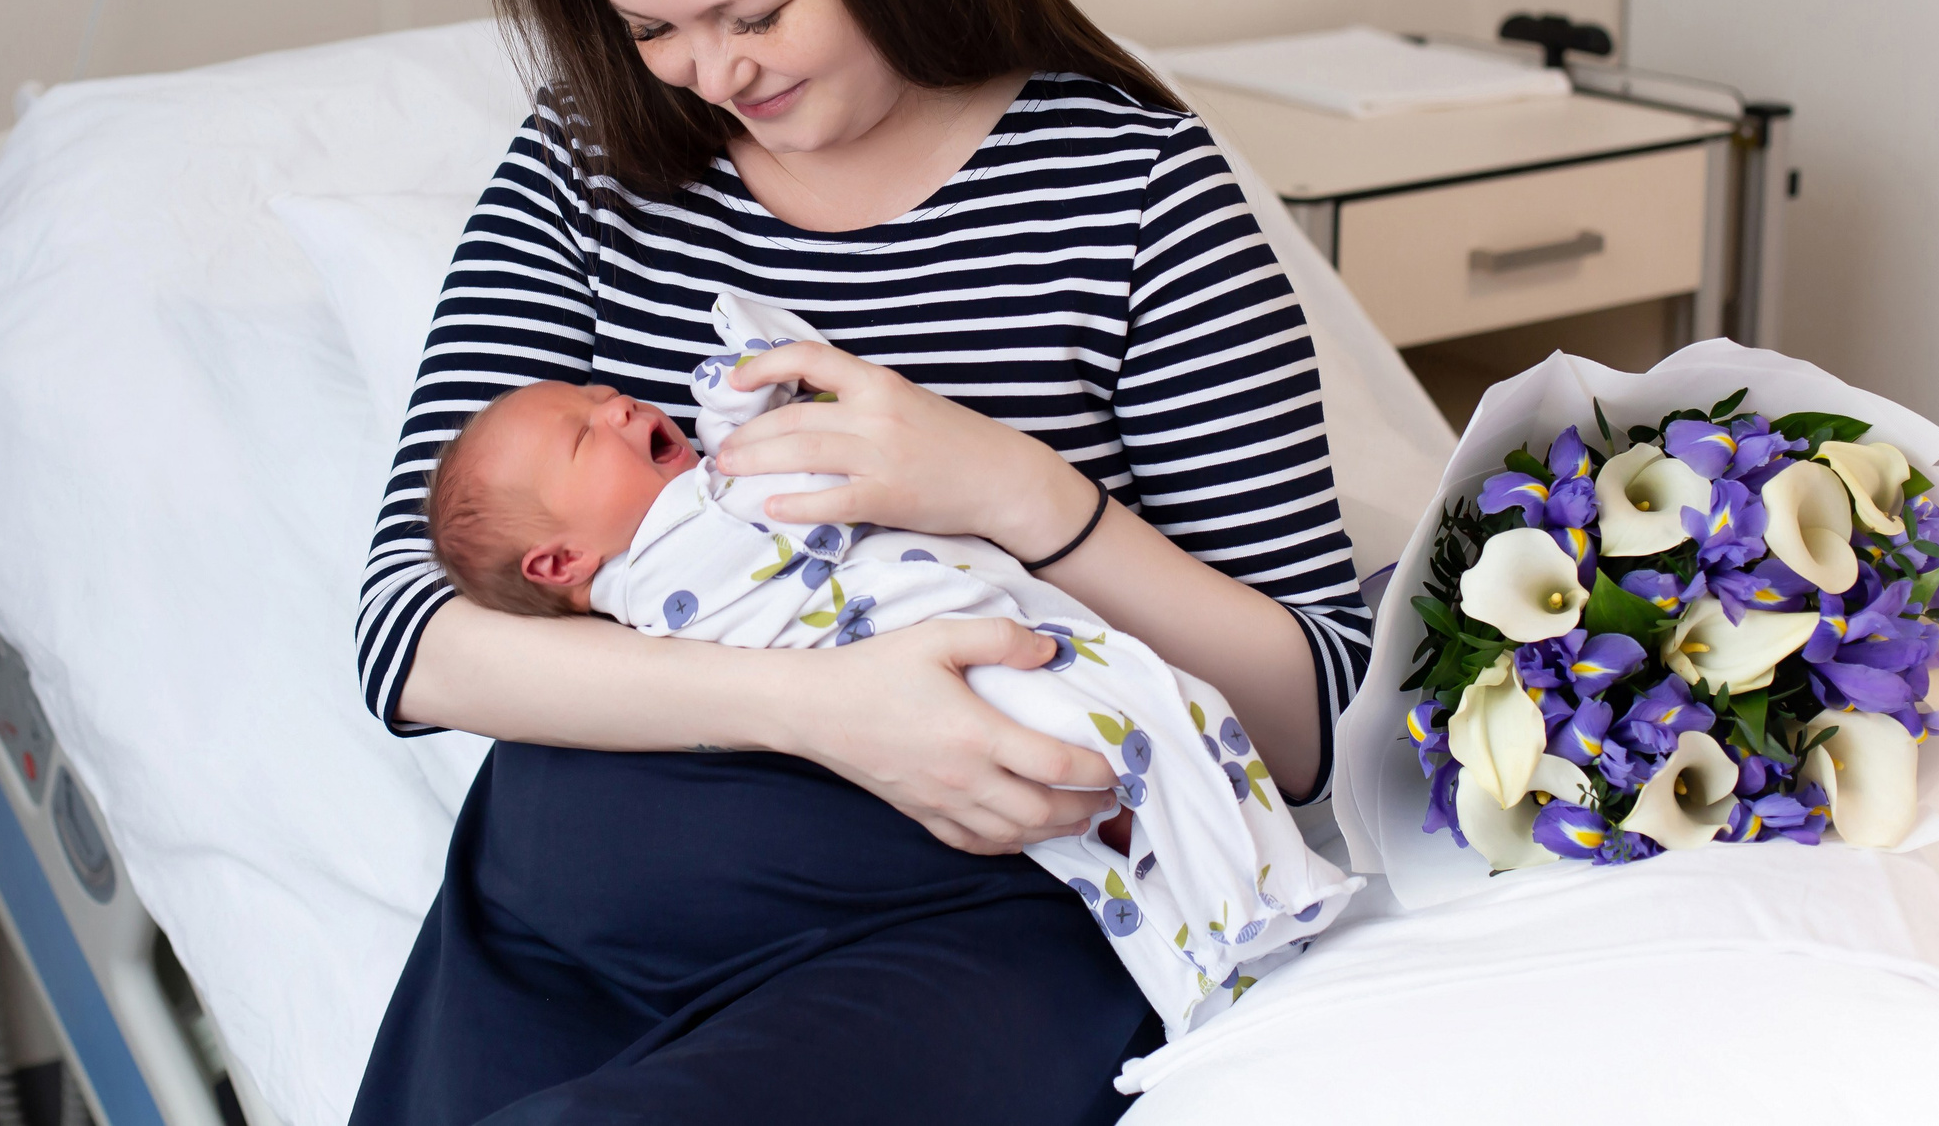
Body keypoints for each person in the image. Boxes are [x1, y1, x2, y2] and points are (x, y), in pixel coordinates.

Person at [350, 0, 1369, 1126]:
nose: (709, 71)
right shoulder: (589, 165)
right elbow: (409, 633)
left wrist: (1021, 494)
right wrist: (826, 706)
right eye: (653, 28)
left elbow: (1310, 717)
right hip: (580, 901)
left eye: (751, 10)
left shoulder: (1135, 192)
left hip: (972, 896)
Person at [417, 292, 1359, 1045]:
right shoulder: (663, 567)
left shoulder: (698, 498)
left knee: (1159, 731)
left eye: (597, 398)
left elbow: (1323, 697)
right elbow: (400, 644)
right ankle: (1232, 924)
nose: (616, 401)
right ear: (557, 566)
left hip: (960, 740)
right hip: (928, 701)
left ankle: (1237, 922)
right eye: (586, 434)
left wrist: (1018, 487)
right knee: (1132, 751)